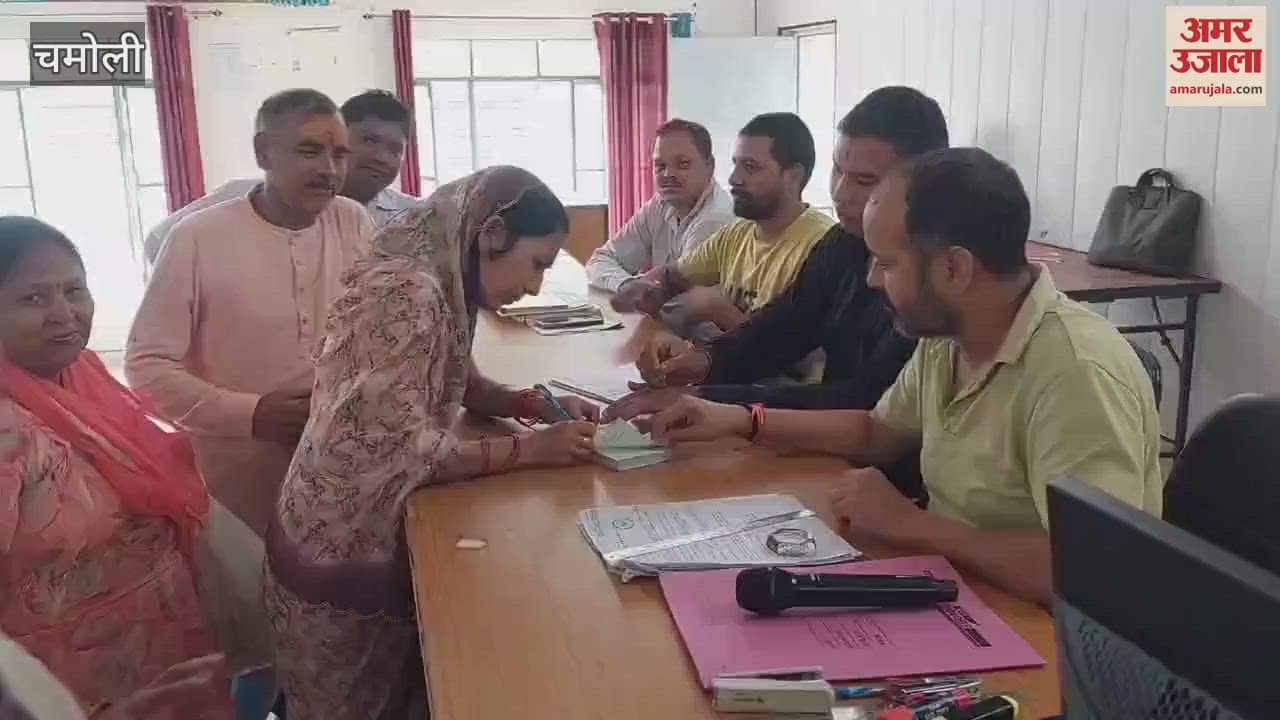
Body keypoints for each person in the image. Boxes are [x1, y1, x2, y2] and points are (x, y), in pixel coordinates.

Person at [611, 148, 1163, 606]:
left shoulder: (1075, 374)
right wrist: (739, 419)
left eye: (888, 263)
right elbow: (878, 430)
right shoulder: (950, 335)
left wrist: (915, 525)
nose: (873, 279)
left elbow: (1092, 572)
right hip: (960, 591)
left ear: (955, 269)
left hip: (1046, 639)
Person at [263, 166, 601, 719]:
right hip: (341, 543)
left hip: (358, 529)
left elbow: (450, 374)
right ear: (492, 233)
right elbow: (399, 450)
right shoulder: (406, 292)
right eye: (537, 263)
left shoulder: (440, 277)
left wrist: (529, 403)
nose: (536, 286)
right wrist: (532, 450)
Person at [0, 217, 230, 718]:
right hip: (68, 689)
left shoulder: (82, 375)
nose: (64, 314)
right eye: (33, 298)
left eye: (73, 291)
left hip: (166, 651)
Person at [126, 89, 375, 537]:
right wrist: (252, 414)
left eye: (340, 155)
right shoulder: (197, 238)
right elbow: (147, 368)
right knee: (247, 577)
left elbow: (376, 328)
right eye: (309, 151)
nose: (329, 170)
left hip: (339, 464)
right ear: (263, 153)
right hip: (234, 476)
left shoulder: (352, 221)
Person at [609, 87, 946, 414]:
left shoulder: (931, 278)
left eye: (865, 181)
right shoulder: (843, 241)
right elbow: (785, 326)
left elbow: (864, 401)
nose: (840, 194)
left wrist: (711, 399)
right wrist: (705, 360)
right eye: (838, 171)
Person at [611, 112, 833, 335]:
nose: (734, 178)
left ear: (793, 176)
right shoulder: (736, 233)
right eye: (736, 165)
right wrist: (644, 290)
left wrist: (717, 310)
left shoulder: (822, 246)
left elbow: (793, 351)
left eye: (750, 167)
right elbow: (672, 276)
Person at [143, 89, 418, 264]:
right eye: (369, 140)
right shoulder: (242, 197)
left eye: (395, 150)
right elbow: (158, 241)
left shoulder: (414, 218)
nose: (382, 157)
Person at [585, 118, 733, 291]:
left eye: (683, 164)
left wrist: (638, 289)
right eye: (660, 166)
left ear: (710, 167)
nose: (668, 174)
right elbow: (600, 260)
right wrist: (626, 284)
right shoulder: (659, 205)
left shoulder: (716, 217)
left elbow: (683, 296)